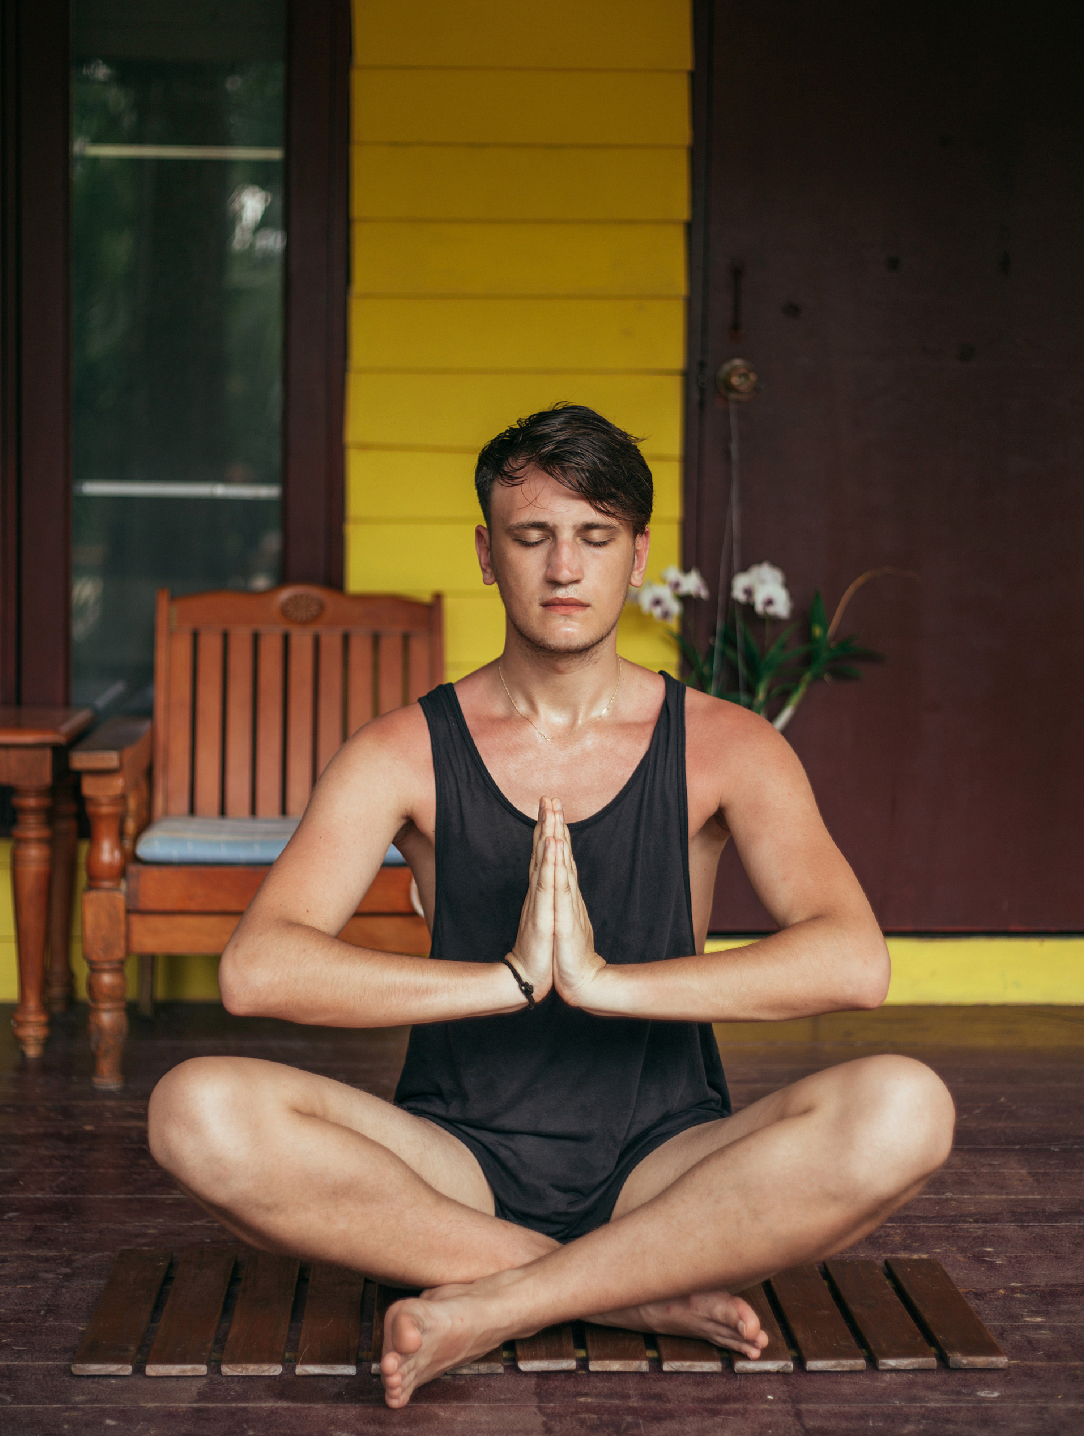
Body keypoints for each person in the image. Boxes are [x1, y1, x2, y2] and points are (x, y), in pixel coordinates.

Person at [147, 404, 955, 1409]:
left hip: (665, 1158)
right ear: (487, 554)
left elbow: (851, 962)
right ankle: (633, 1293)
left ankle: (505, 1296)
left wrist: (607, 985)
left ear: (636, 554)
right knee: (196, 1108)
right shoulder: (397, 749)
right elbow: (258, 967)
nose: (563, 567)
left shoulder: (729, 745)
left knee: (905, 1107)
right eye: (532, 537)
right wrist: (510, 977)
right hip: (452, 1167)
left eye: (594, 537)